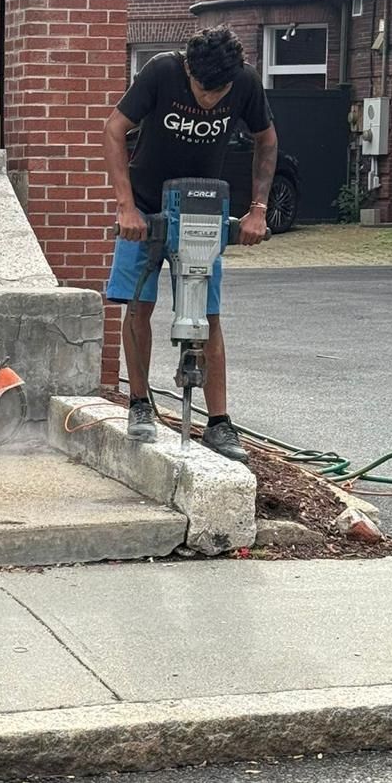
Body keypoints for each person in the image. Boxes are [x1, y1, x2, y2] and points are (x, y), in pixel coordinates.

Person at [102, 25, 278, 464]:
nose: (209, 100)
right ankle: (140, 404)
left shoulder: (246, 82)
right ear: (188, 70)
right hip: (144, 208)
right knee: (138, 307)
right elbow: (114, 129)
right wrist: (126, 208)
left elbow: (267, 140)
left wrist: (258, 209)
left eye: (219, 93)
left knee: (207, 315)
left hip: (203, 209)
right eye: (202, 90)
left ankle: (218, 423)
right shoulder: (161, 71)